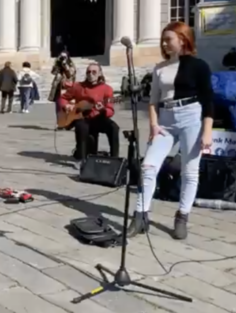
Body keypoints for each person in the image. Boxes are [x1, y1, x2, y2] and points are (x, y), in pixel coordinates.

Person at [128, 21, 214, 240]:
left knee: (190, 171)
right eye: (163, 40)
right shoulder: (159, 68)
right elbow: (153, 100)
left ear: (182, 40)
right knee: (148, 166)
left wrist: (207, 131)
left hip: (191, 116)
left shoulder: (199, 66)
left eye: (169, 39)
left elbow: (208, 101)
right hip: (164, 120)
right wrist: (154, 125)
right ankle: (140, 216)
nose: (164, 44)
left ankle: (182, 216)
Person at [58, 63, 120, 168]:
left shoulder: (107, 89)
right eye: (88, 72)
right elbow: (62, 98)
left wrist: (104, 109)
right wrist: (67, 106)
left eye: (94, 72)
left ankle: (115, 159)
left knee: (114, 127)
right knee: (81, 127)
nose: (90, 74)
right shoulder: (78, 86)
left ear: (100, 73)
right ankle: (81, 159)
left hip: (98, 118)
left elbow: (110, 110)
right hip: (82, 118)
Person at [49, 51, 77, 121]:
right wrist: (57, 63)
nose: (62, 58)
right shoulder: (58, 64)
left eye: (64, 57)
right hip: (58, 89)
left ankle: (67, 121)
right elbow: (53, 72)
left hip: (66, 88)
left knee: (65, 105)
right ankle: (60, 121)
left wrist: (65, 65)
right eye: (61, 56)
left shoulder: (70, 65)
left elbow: (70, 74)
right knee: (58, 106)